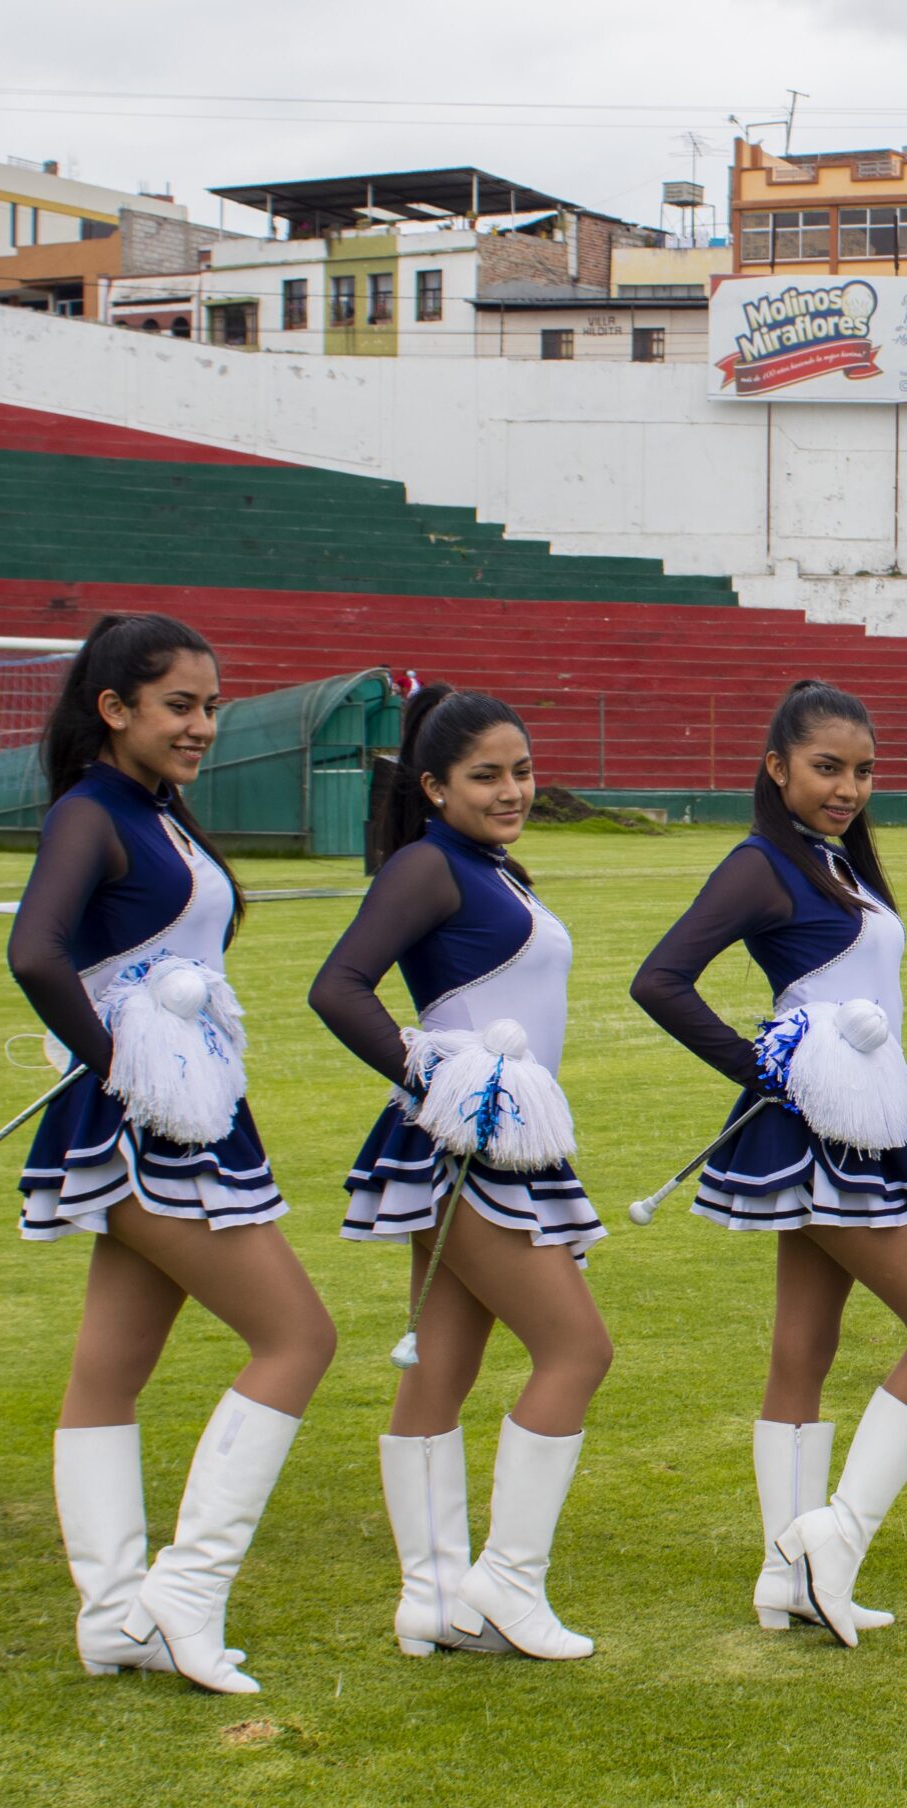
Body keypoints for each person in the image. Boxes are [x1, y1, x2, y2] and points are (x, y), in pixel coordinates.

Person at [9, 614, 336, 1695]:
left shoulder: (155, 811)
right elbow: (34, 951)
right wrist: (118, 1064)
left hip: (185, 1117)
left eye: (211, 707)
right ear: (114, 709)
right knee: (297, 1337)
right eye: (179, 706)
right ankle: (186, 1592)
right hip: (148, 1127)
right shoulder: (90, 812)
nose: (201, 725)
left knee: (110, 1367)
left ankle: (114, 1617)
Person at [630, 679, 907, 1648]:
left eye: (863, 770)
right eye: (827, 767)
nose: (848, 788)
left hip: (860, 1124)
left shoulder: (834, 863)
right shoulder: (761, 864)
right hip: (819, 1130)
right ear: (777, 766)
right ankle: (835, 1537)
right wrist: (769, 1068)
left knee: (803, 1348)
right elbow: (661, 979)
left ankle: (785, 1574)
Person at [309, 687, 611, 1661]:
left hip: (501, 1141)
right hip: (465, 1145)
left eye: (522, 770)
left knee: (441, 1363)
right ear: (435, 786)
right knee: (577, 1349)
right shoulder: (428, 866)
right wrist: (439, 1078)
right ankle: (506, 1584)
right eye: (486, 775)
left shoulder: (488, 866)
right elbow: (337, 986)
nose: (512, 789)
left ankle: (432, 1598)